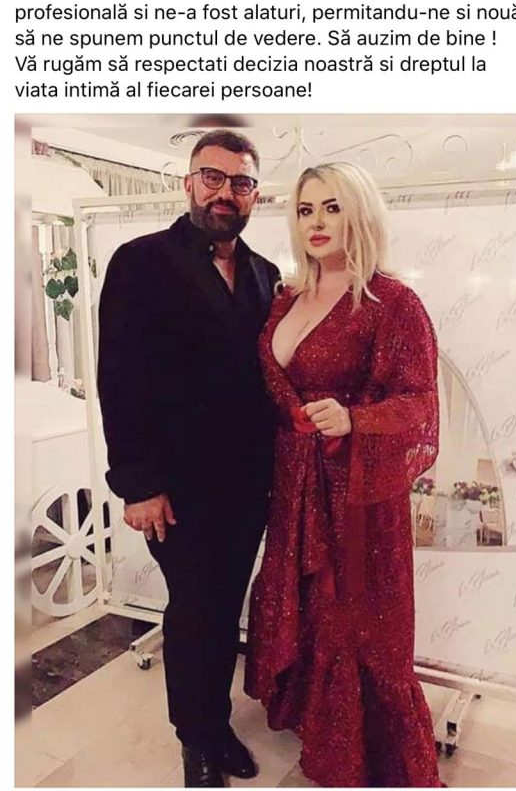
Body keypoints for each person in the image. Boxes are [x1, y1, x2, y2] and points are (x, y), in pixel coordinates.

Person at [245, 162, 442, 788]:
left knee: (356, 617)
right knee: (307, 604)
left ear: (360, 213)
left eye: (332, 207)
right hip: (294, 482)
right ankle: (318, 719)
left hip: (354, 490)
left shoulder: (393, 302)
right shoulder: (286, 297)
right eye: (306, 210)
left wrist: (356, 418)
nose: (317, 222)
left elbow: (420, 402)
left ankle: (363, 750)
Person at [97, 129, 280, 788]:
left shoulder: (265, 274)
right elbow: (119, 378)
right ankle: (195, 739)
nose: (225, 192)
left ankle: (216, 723)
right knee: (194, 608)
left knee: (222, 607)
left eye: (241, 182)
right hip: (173, 489)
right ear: (188, 184)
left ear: (254, 194)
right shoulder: (140, 261)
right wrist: (137, 484)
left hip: (247, 484)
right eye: (213, 177)